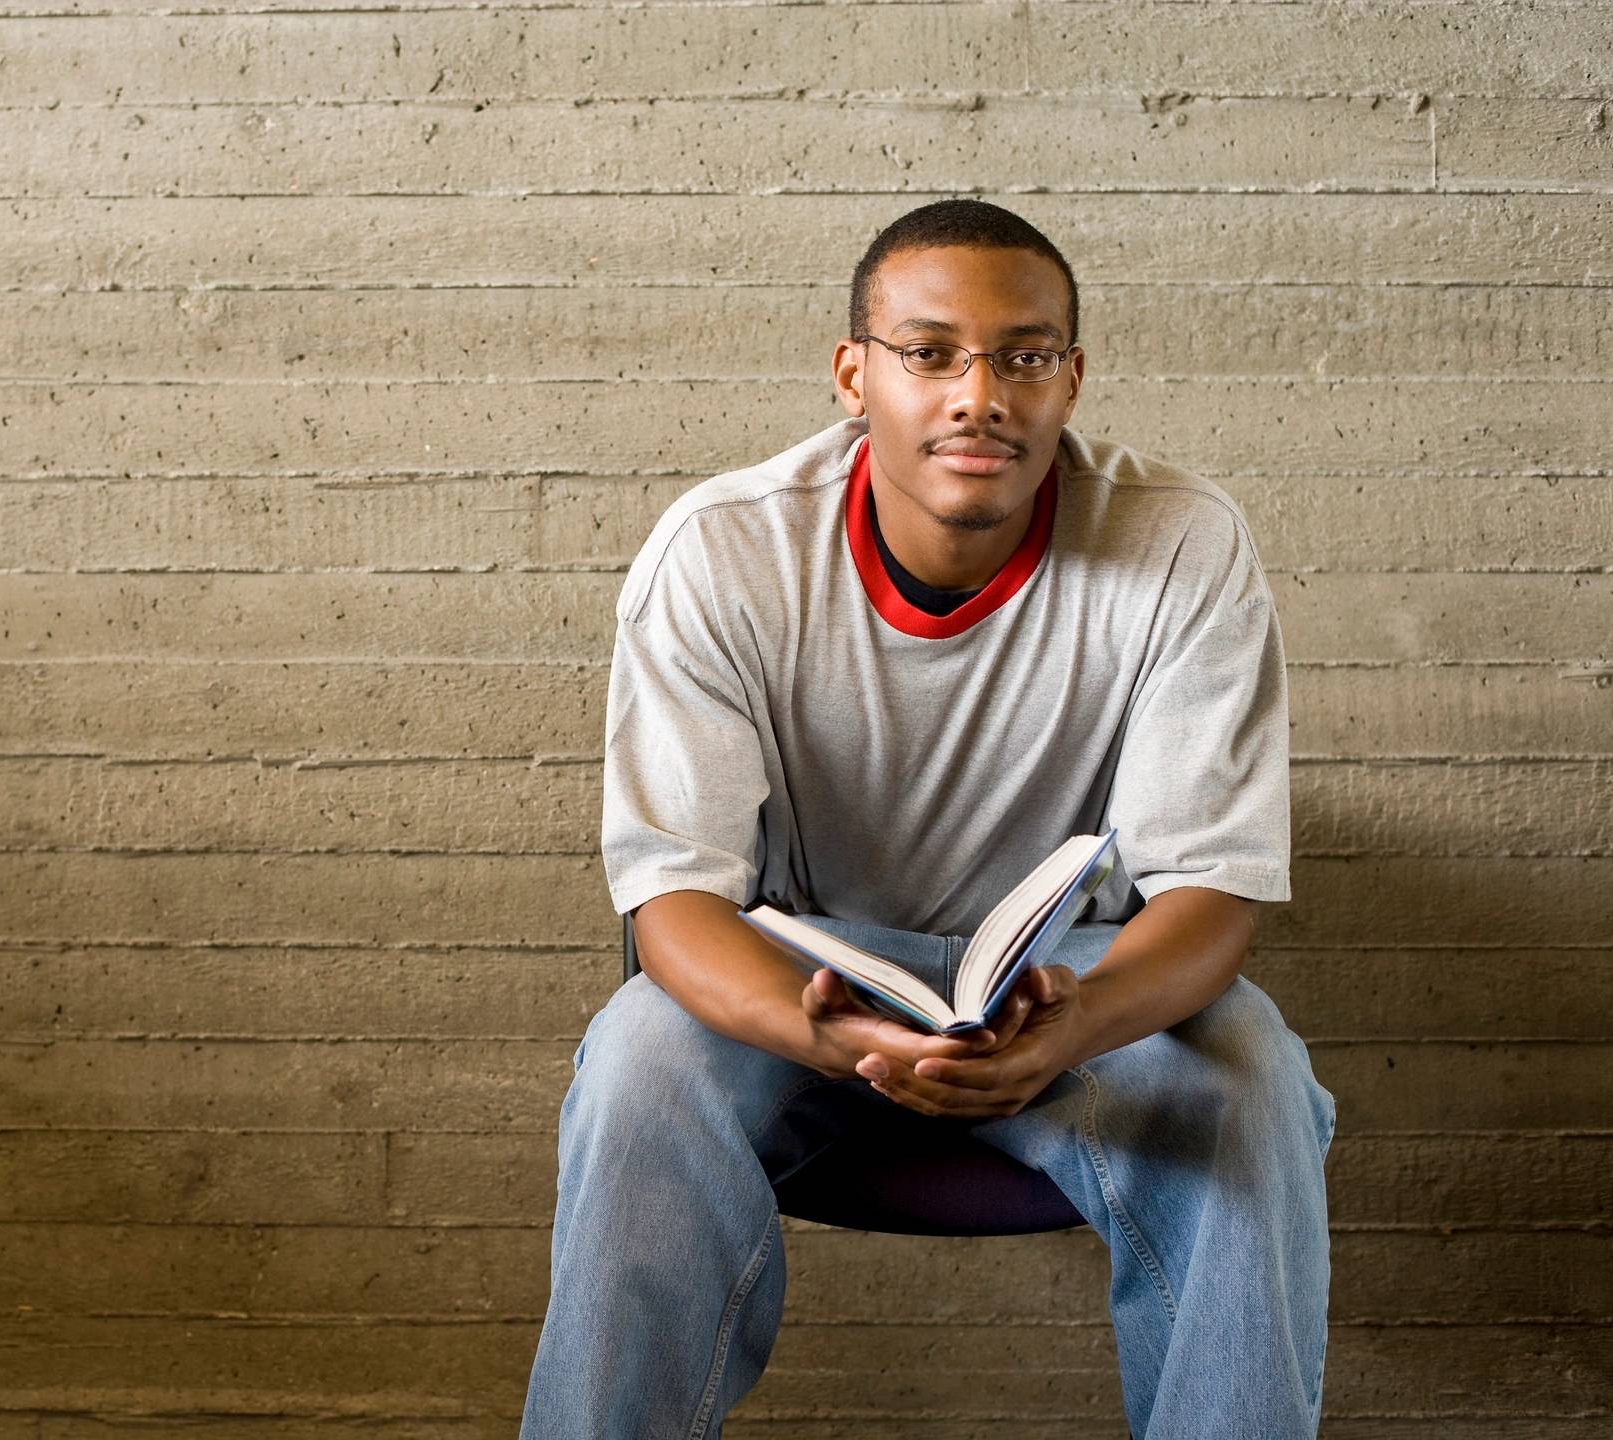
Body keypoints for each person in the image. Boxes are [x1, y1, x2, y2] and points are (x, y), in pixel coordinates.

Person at [517, 199, 1337, 1438]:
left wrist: (1075, 1031)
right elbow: (673, 900)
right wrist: (842, 1043)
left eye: (1024, 356)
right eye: (930, 352)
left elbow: (1211, 895)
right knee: (638, 1057)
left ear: (1071, 378)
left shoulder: (1182, 543)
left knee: (1256, 1071)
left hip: (1068, 989)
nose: (979, 394)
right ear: (855, 373)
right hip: (811, 981)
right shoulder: (722, 553)